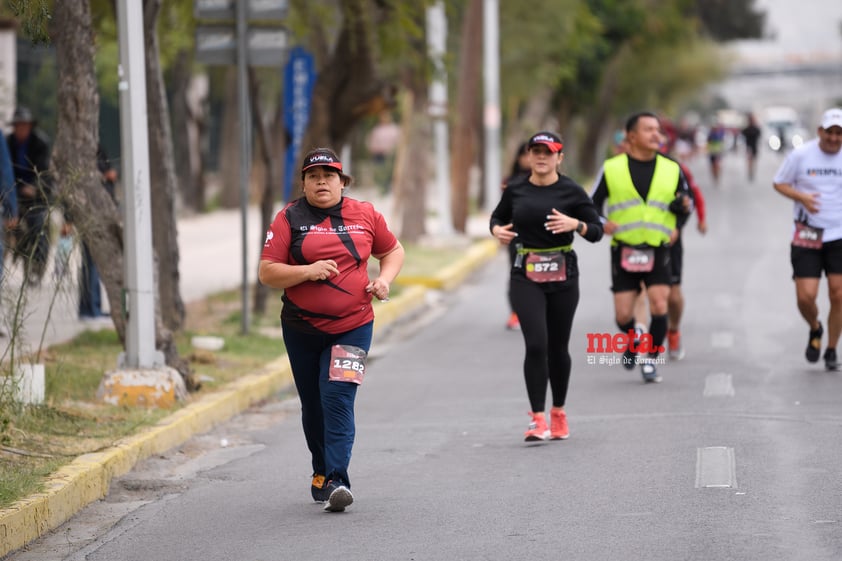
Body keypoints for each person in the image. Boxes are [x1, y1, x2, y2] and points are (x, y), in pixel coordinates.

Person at [258, 147, 404, 512]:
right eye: (313, 176)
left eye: (329, 175)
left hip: (353, 327)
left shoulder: (365, 214)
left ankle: (339, 480)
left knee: (337, 397)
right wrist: (307, 271)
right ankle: (321, 471)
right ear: (304, 183)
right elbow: (267, 272)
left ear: (342, 181)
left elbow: (393, 250)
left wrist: (384, 280)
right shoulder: (288, 218)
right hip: (301, 329)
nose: (321, 181)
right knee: (313, 404)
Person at [490, 131, 604, 441]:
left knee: (557, 346)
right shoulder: (516, 189)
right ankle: (538, 419)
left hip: (564, 275)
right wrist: (497, 230)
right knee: (536, 344)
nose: (541, 157)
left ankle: (559, 412)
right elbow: (497, 218)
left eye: (548, 152)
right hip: (525, 274)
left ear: (559, 158)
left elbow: (597, 231)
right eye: (535, 151)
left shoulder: (572, 191)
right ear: (528, 155)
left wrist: (575, 225)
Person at [591, 111, 692, 383]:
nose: (656, 135)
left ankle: (650, 360)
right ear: (631, 136)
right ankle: (634, 336)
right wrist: (603, 222)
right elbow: (591, 205)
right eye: (648, 130)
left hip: (659, 247)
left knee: (659, 303)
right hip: (625, 248)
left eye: (657, 130)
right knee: (623, 314)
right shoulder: (612, 168)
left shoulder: (672, 168)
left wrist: (677, 225)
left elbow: (686, 202)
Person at [772, 107, 842, 371]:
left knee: (838, 294)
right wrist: (802, 198)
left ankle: (832, 349)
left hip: (839, 235)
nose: (834, 138)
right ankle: (815, 327)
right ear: (820, 131)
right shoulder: (801, 155)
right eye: (830, 132)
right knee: (805, 297)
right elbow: (779, 182)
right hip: (807, 234)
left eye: (839, 133)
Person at [6, 106, 53, 286]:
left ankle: (37, 265)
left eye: (24, 125)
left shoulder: (40, 143)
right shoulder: (8, 143)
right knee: (11, 227)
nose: (21, 129)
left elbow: (44, 172)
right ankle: (14, 255)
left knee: (38, 228)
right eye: (18, 125)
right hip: (15, 194)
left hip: (36, 196)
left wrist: (34, 187)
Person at [70, 145, 117, 319]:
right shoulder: (79, 152)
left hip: (100, 215)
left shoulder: (98, 150)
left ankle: (91, 308)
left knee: (93, 264)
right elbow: (75, 186)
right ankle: (90, 309)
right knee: (91, 264)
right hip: (90, 215)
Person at [502, 141, 530, 330]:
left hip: (543, 239)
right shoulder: (510, 182)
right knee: (517, 274)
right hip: (516, 237)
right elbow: (502, 211)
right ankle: (515, 313)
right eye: (526, 154)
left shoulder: (551, 180)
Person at [366, 111, 400, 194]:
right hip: (378, 154)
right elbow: (371, 141)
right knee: (380, 171)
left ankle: (388, 188)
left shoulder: (394, 129)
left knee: (389, 172)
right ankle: (382, 188)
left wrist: (392, 150)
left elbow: (398, 142)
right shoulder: (377, 129)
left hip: (390, 154)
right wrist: (374, 149)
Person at [741, 113, 761, 182]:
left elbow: (759, 135)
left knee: (753, 161)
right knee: (750, 160)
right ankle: (750, 172)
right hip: (749, 147)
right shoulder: (747, 129)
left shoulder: (756, 129)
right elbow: (742, 133)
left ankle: (752, 172)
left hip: (754, 147)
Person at [706, 120, 726, 185]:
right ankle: (714, 175)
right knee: (712, 166)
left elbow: (723, 143)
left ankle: (717, 175)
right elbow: (708, 143)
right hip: (712, 152)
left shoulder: (720, 134)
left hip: (718, 152)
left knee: (717, 165)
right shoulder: (710, 135)